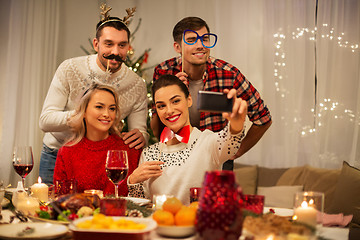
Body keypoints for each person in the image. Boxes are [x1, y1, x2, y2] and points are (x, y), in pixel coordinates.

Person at [39, 4, 148, 184]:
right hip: (56, 153)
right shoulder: (70, 68)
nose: (115, 52)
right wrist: (84, 115)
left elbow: (140, 131)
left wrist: (141, 135)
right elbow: (45, 120)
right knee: (51, 209)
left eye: (122, 45)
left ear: (128, 46)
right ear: (96, 44)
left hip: (102, 161)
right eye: (109, 44)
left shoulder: (136, 84)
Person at [151, 17, 272, 170]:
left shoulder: (228, 75)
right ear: (177, 47)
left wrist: (235, 152)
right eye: (192, 39)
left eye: (205, 39)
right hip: (177, 158)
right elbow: (156, 127)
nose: (201, 45)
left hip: (216, 161)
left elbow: (264, 119)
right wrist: (172, 90)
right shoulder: (164, 71)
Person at [127, 75, 247, 204]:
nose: (169, 110)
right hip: (160, 222)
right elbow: (140, 206)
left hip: (199, 222)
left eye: (176, 101)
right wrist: (133, 181)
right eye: (161, 106)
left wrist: (236, 123)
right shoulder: (149, 153)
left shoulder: (208, 142)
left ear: (189, 100)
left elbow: (231, 140)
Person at [53, 84, 141, 196]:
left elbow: (134, 197)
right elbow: (61, 199)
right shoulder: (66, 152)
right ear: (84, 111)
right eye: (99, 107)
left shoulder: (128, 148)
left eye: (112, 109)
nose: (107, 114)